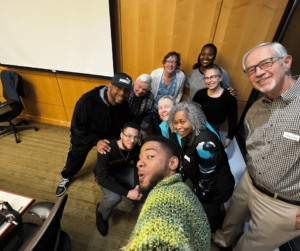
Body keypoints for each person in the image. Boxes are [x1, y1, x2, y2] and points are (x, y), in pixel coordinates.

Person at [212, 42, 300, 251]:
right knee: (230, 221)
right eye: (251, 70)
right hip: (249, 182)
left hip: (282, 203)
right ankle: (221, 242)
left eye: (265, 63)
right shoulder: (256, 108)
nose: (258, 72)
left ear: (286, 62)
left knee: (250, 247)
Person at [125, 135, 211, 251]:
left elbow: (160, 241)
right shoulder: (181, 190)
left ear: (173, 163)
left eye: (150, 156)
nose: (139, 163)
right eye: (140, 158)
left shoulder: (168, 197)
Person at [55, 73, 132, 197]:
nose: (122, 93)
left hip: (109, 133)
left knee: (114, 153)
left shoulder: (123, 102)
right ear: (110, 86)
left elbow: (124, 121)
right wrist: (96, 141)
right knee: (75, 156)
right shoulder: (87, 101)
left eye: (126, 90)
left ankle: (111, 176)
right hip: (85, 134)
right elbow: (77, 127)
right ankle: (67, 176)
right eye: (119, 88)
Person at [168, 101, 235, 232]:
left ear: (193, 120)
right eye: (175, 122)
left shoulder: (204, 143)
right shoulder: (189, 134)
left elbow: (208, 181)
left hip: (214, 191)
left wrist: (194, 198)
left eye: (182, 121)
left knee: (208, 220)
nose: (178, 127)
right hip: (200, 181)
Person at [94, 122, 142, 236]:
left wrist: (137, 186)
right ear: (121, 134)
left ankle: (124, 185)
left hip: (121, 169)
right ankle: (100, 214)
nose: (132, 140)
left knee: (142, 182)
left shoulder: (136, 145)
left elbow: (137, 165)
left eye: (135, 137)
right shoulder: (106, 149)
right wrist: (127, 193)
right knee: (115, 198)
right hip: (104, 176)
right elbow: (102, 179)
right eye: (128, 136)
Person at [193, 64, 238, 148]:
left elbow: (233, 119)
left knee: (209, 154)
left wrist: (229, 138)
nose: (209, 81)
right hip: (196, 128)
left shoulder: (229, 97)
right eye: (206, 78)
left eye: (213, 77)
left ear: (220, 78)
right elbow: (191, 110)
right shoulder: (200, 93)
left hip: (213, 130)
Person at [150, 51, 188, 135]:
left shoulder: (180, 75)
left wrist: (174, 109)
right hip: (156, 109)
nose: (171, 65)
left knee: (168, 131)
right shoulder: (155, 74)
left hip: (170, 110)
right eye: (169, 61)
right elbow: (150, 93)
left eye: (174, 62)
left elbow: (179, 94)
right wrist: (151, 109)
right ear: (164, 63)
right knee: (157, 131)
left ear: (177, 65)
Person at [128, 74, 154, 139]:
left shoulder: (150, 97)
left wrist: (143, 129)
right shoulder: (127, 90)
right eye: (139, 87)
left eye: (144, 89)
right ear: (135, 83)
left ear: (148, 90)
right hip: (121, 121)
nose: (140, 91)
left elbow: (148, 115)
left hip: (137, 124)